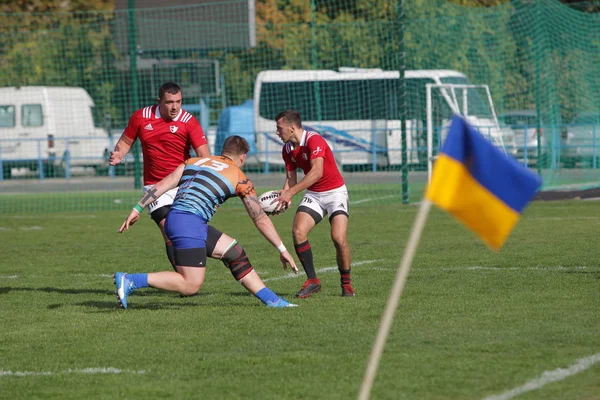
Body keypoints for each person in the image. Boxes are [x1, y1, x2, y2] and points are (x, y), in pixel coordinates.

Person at [114, 135, 299, 308]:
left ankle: (273, 301)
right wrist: (282, 249)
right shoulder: (240, 178)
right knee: (191, 285)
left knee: (234, 253)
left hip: (180, 219)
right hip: (189, 224)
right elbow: (260, 219)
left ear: (223, 151)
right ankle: (130, 280)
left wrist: (137, 209)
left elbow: (162, 184)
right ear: (242, 157)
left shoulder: (194, 161)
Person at [109, 82, 211, 270]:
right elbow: (125, 141)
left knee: (186, 231)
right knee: (169, 228)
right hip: (155, 187)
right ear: (159, 102)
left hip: (183, 184)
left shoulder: (189, 121)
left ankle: (186, 277)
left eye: (178, 102)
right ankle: (184, 277)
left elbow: (204, 156)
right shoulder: (141, 117)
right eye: (170, 102)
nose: (175, 107)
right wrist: (119, 154)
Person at [271, 110, 354, 298]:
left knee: (338, 239)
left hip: (335, 193)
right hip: (314, 194)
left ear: (292, 128)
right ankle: (313, 281)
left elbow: (317, 172)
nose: (277, 132)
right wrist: (284, 197)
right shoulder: (286, 150)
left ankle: (346, 285)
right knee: (298, 231)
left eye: (279, 128)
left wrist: (291, 192)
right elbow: (290, 179)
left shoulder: (313, 140)